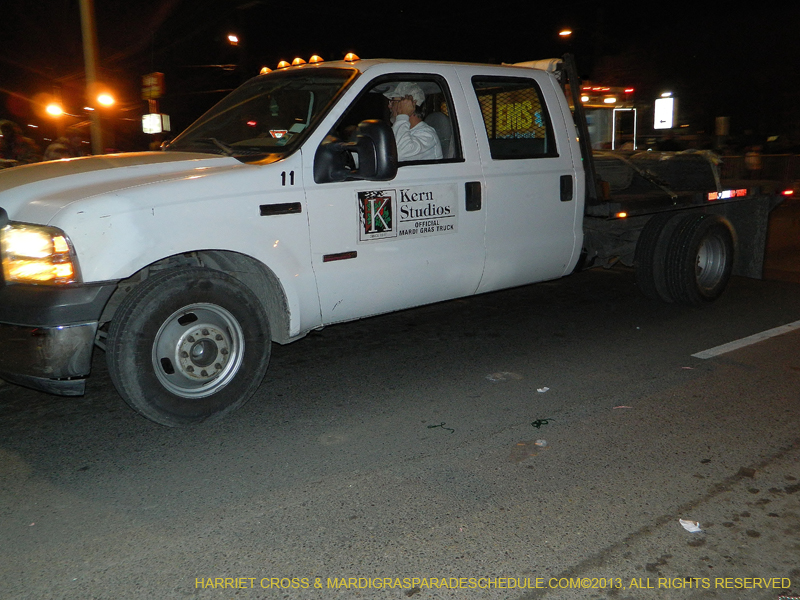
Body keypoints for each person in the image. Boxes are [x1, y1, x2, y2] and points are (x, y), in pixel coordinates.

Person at [384, 83, 442, 161]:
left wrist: (403, 115)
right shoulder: (400, 130)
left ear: (409, 105)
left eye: (392, 101)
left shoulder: (427, 135)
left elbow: (397, 154)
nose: (389, 106)